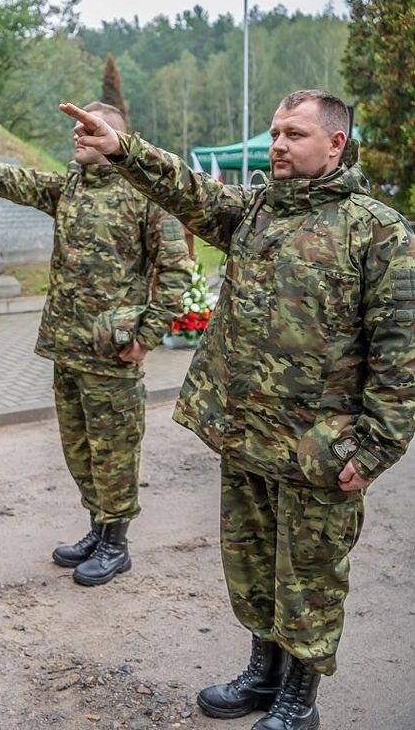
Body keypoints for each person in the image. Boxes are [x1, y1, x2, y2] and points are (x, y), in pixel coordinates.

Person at [61, 90, 415, 730]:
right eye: (276, 132)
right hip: (247, 432)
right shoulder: (254, 211)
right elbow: (185, 189)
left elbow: (401, 351)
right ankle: (263, 673)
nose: (279, 144)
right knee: (249, 561)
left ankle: (298, 702)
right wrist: (123, 150)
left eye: (296, 134)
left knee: (308, 574)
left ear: (335, 144)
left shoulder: (377, 230)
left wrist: (376, 450)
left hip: (320, 446)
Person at [0, 102, 193, 587]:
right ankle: (97, 526)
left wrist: (147, 337)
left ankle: (116, 544)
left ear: (115, 138)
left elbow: (176, 272)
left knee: (115, 449)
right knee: (79, 447)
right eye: (75, 129)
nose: (78, 137)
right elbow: (17, 181)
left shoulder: (146, 194)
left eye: (89, 129)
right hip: (67, 345)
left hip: (112, 351)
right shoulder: (71, 185)